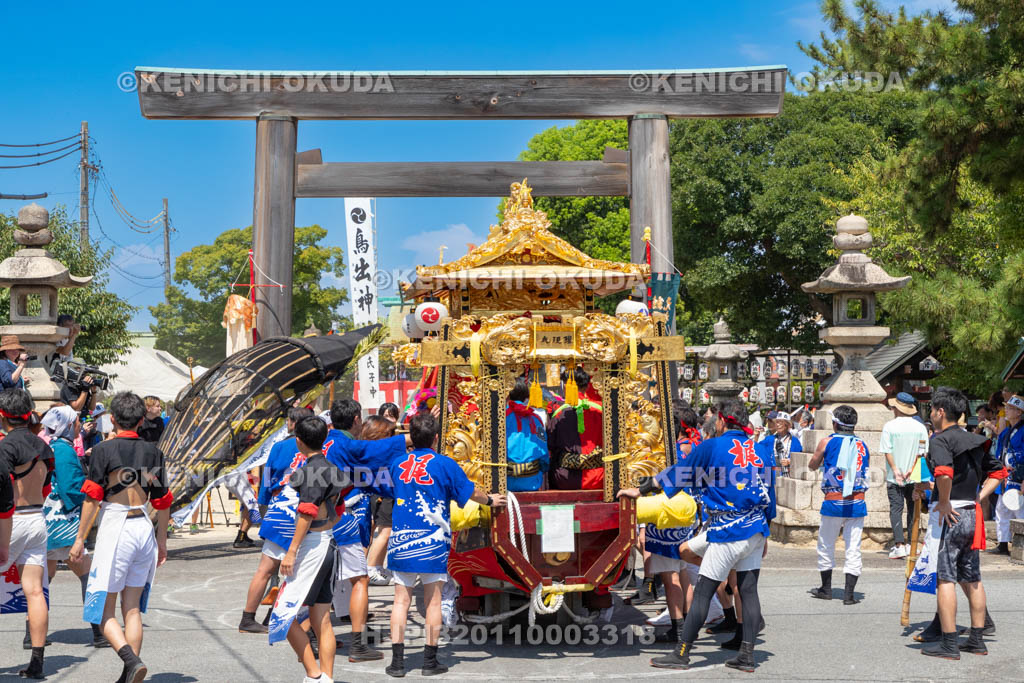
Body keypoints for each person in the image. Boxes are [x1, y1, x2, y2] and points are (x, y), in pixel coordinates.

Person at [619, 398, 775, 672]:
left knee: (703, 590)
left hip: (728, 528)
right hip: (756, 527)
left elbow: (680, 472)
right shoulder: (760, 449)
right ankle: (748, 655)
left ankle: (682, 653)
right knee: (749, 591)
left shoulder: (713, 446)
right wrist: (767, 532)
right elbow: (769, 493)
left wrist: (641, 490)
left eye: (714, 418)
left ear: (723, 421)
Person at [384, 412, 506, 678]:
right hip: (433, 540)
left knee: (400, 601)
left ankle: (397, 663)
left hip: (401, 538)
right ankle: (429, 662)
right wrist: (490, 501)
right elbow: (470, 491)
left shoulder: (397, 463)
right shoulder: (445, 464)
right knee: (433, 601)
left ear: (410, 439)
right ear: (436, 438)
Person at [70, 391, 173, 683]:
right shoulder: (154, 452)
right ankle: (130, 673)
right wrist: (162, 541)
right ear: (142, 420)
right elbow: (163, 500)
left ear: (113, 418)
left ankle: (131, 660)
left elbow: (92, 497)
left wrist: (79, 540)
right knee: (132, 607)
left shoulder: (104, 450)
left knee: (103, 608)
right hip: (143, 525)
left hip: (116, 526)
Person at [913, 387, 1006, 658]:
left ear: (941, 412)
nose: (931, 414)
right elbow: (999, 472)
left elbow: (944, 472)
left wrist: (942, 501)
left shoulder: (940, 440)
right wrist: (979, 496)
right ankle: (977, 640)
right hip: (971, 511)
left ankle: (950, 643)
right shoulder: (975, 440)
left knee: (945, 578)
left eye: (932, 410)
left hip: (950, 513)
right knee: (972, 576)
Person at [324, 398, 410, 662]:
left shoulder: (329, 441)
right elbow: (368, 454)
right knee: (360, 579)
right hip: (338, 515)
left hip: (319, 516)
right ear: (356, 420)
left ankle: (314, 633)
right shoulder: (345, 443)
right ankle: (358, 645)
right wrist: (407, 440)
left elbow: (363, 477)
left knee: (324, 580)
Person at [270, 416, 349, 683]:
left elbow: (306, 511)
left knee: (282, 615)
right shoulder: (332, 468)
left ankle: (314, 675)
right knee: (321, 619)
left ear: (298, 441)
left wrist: (291, 551)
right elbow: (339, 506)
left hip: (312, 547)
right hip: (327, 542)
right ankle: (326, 677)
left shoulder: (309, 471)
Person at [239, 406, 314, 633]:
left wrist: (263, 505)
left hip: (277, 508)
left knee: (266, 569)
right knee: (298, 571)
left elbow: (267, 479)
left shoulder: (279, 447)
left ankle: (249, 617)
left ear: (291, 423)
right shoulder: (317, 449)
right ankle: (283, 619)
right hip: (300, 513)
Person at [40, 405, 108, 648]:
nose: (80, 425)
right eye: (76, 421)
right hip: (63, 521)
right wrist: (92, 494)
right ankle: (99, 632)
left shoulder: (48, 445)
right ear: (68, 426)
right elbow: (71, 487)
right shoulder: (64, 450)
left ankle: (32, 634)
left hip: (46, 517)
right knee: (87, 575)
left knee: (43, 578)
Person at [0, 388, 54, 679]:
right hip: (37, 518)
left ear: (2, 416)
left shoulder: (5, 447)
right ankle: (37, 662)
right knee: (35, 591)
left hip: (11, 520)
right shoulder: (44, 446)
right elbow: (47, 487)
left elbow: (3, 493)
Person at [643, 401, 702, 644]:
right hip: (687, 514)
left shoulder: (661, 454)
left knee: (671, 577)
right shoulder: (688, 451)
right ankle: (688, 625)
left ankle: (678, 629)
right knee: (684, 573)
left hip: (666, 515)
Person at [808, 405, 870, 605]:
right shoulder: (863, 445)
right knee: (854, 547)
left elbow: (813, 464)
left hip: (833, 501)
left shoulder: (827, 441)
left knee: (826, 544)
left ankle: (826, 588)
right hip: (857, 501)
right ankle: (849, 594)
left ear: (836, 423)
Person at [880, 393, 930, 559]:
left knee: (896, 508)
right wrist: (912, 468)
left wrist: (895, 469)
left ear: (896, 408)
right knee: (912, 508)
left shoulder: (889, 426)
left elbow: (887, 450)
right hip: (914, 475)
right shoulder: (920, 427)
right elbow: (922, 452)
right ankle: (911, 543)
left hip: (895, 476)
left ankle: (899, 544)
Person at [547, 368, 604, 490]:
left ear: (568, 386)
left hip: (565, 478)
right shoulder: (602, 410)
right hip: (599, 477)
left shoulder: (559, 413)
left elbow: (551, 445)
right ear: (587, 386)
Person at [362, 415, 398, 587]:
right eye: (389, 433)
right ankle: (371, 568)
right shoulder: (379, 449)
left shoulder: (367, 448)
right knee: (385, 530)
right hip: (382, 493)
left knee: (383, 529)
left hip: (379, 492)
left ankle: (376, 566)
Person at [991, 394, 1024, 555]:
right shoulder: (1005, 433)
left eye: (1011, 408)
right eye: (1007, 407)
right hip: (1006, 477)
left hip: (1019, 476)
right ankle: (1002, 543)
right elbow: (999, 455)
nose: (1007, 410)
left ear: (1019, 412)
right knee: (1001, 509)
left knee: (1020, 510)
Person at [505, 377, 548, 492]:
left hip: (504, 481)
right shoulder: (536, 418)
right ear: (526, 396)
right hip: (532, 480)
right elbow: (543, 449)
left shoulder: (499, 417)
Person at [761, 411, 802, 477]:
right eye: (777, 422)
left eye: (781, 422)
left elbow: (800, 458)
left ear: (787, 425)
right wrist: (756, 436)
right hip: (771, 475)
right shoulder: (769, 439)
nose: (778, 425)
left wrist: (790, 461)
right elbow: (758, 450)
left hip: (788, 475)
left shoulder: (794, 441)